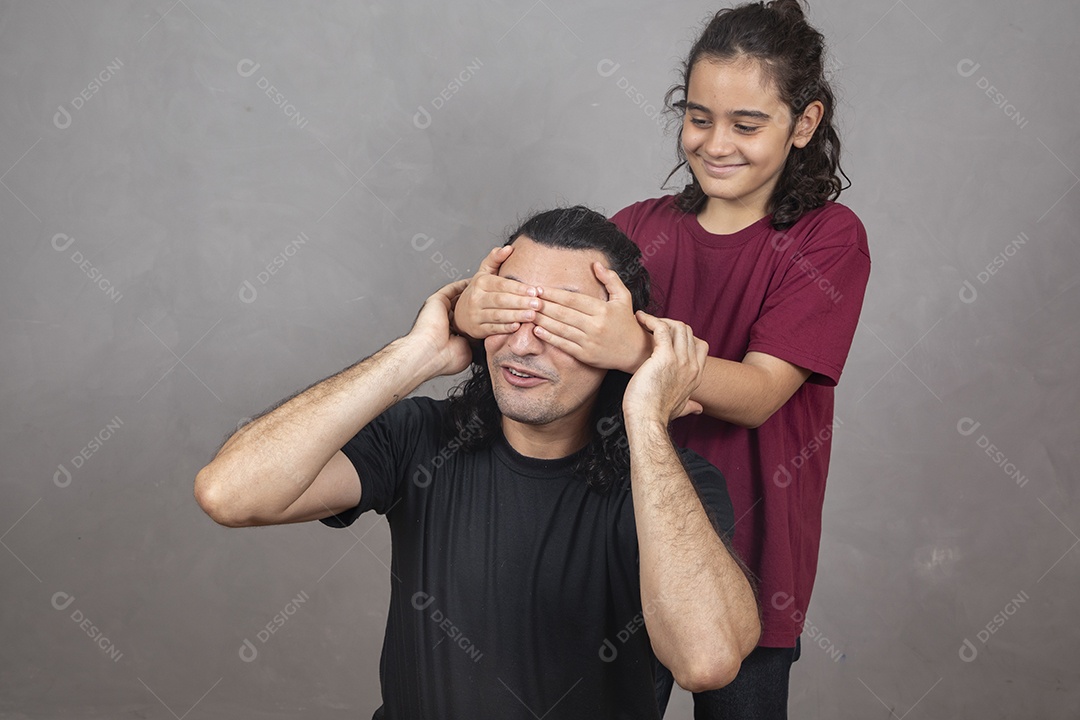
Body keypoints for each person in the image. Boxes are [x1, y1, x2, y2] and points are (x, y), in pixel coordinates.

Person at [453, 2, 870, 717]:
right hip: (617, 538)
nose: (716, 143)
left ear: (803, 124)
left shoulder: (829, 239)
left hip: (751, 547)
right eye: (699, 117)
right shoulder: (636, 227)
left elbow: (760, 393)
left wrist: (633, 349)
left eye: (747, 124)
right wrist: (471, 311)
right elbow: (543, 338)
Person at [194, 206, 761, 719]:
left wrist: (645, 412)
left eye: (564, 324)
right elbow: (230, 494)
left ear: (617, 341)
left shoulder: (671, 487)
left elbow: (706, 662)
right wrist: (415, 354)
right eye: (508, 309)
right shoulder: (420, 438)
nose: (523, 344)